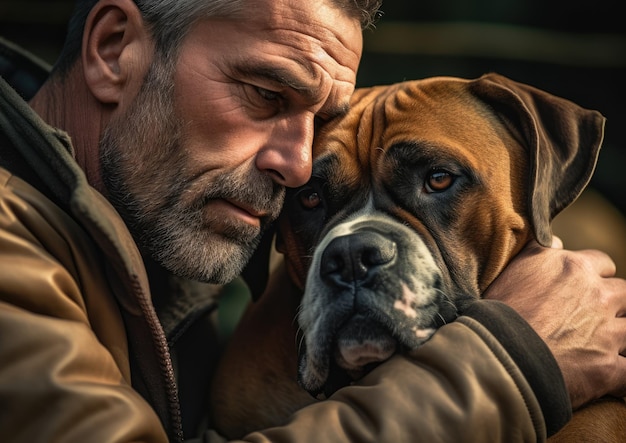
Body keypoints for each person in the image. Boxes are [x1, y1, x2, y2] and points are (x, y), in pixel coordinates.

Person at [0, 0, 624, 442]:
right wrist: (507, 364)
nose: (296, 164)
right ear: (114, 50)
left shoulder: (150, 223)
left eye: (318, 117)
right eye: (266, 94)